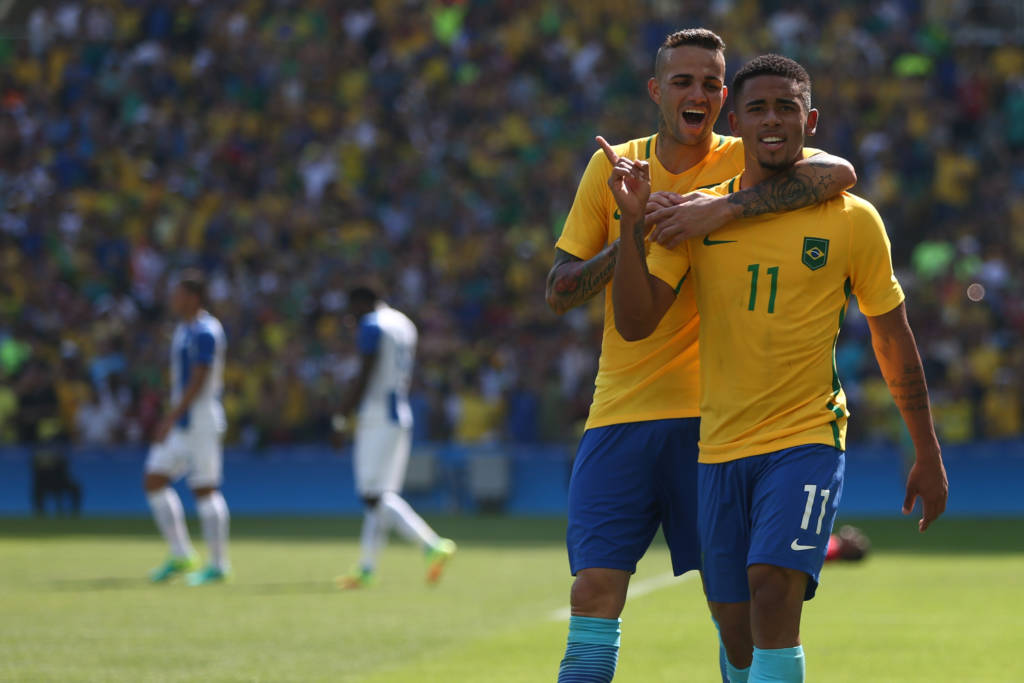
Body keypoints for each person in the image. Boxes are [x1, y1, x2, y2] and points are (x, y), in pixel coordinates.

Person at [610, 53, 948, 682]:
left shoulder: (852, 218)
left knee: (772, 589)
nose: (772, 120)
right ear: (735, 123)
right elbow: (634, 322)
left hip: (806, 439)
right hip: (719, 449)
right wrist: (632, 226)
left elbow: (892, 337)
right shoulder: (695, 215)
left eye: (786, 107)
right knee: (735, 633)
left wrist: (926, 451)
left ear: (809, 121)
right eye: (758, 109)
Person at [545, 29, 857, 682]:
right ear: (656, 91)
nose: (699, 93)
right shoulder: (615, 167)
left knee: (734, 614)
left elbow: (838, 175)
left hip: (717, 423)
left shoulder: (748, 153)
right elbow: (560, 290)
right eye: (683, 81)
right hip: (620, 411)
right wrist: (635, 229)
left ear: (724, 97)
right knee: (592, 590)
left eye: (712, 83)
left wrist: (718, 209)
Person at [336, 285, 456, 589]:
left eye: (352, 310)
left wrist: (340, 417)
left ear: (362, 302)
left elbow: (366, 372)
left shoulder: (372, 325)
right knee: (380, 495)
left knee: (373, 496)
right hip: (398, 412)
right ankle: (367, 567)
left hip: (376, 416)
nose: (351, 318)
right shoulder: (404, 323)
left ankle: (431, 544)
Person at [143, 269, 232, 586]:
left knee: (205, 489)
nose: (172, 299)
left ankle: (219, 565)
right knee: (154, 479)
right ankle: (181, 553)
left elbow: (199, 378)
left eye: (178, 294)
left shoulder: (206, 331)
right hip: (182, 420)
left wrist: (170, 416)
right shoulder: (184, 329)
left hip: (201, 419)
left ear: (193, 297)